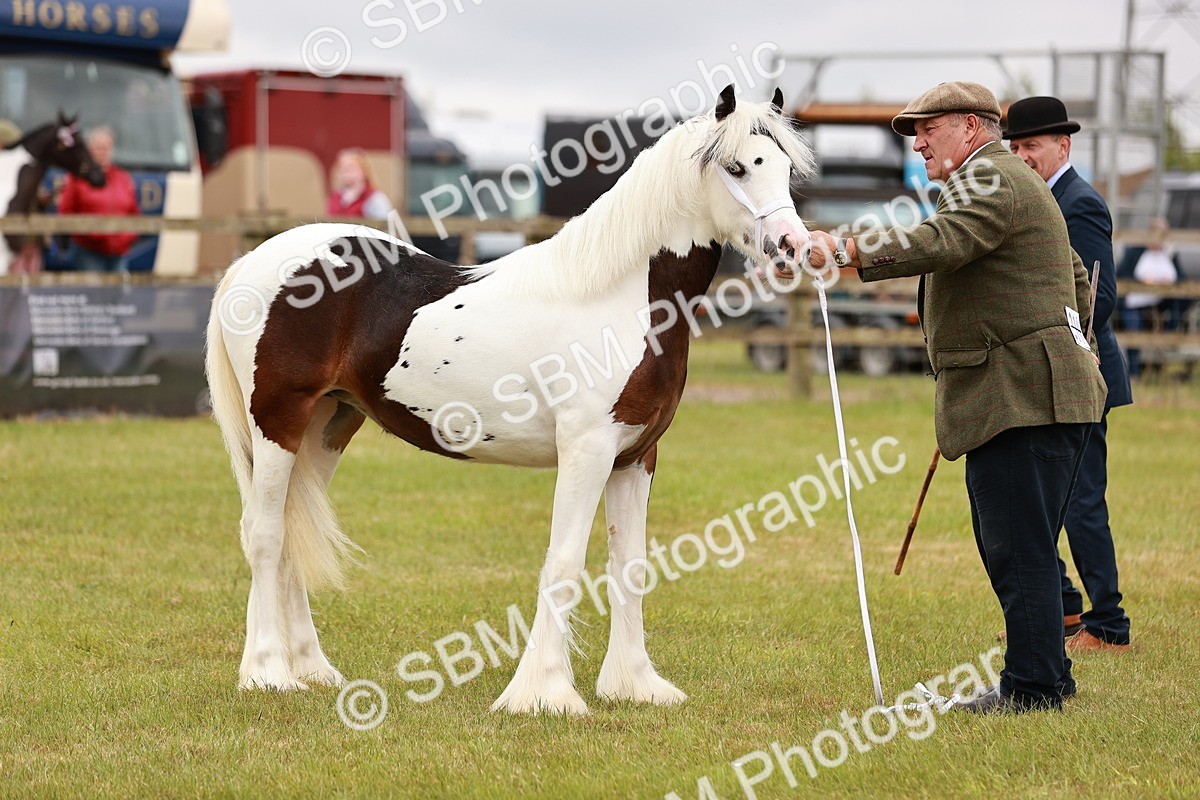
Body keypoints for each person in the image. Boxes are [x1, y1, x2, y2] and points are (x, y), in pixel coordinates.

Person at [799, 82, 1107, 714]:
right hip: (1034, 393)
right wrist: (1074, 346)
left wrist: (848, 249)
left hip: (1024, 397)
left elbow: (940, 243)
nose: (918, 142)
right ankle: (1044, 677)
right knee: (1023, 548)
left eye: (927, 129)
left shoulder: (990, 177)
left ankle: (1034, 688)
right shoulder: (1007, 180)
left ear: (971, 128)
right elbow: (1076, 275)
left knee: (1017, 549)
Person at [1004, 96, 1132, 653]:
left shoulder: (1078, 203)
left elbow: (1095, 295)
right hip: (1046, 374)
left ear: (1064, 146)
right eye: (1016, 146)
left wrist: (1062, 346)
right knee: (1036, 502)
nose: (1022, 156)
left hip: (1083, 370)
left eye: (1032, 146)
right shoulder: (1034, 200)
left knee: (1080, 502)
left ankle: (1109, 625)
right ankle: (1064, 608)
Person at [57, 126, 139, 272]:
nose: (103, 152)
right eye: (98, 148)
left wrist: (127, 238)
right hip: (89, 251)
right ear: (89, 151)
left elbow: (134, 213)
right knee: (94, 292)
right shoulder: (77, 177)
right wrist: (89, 234)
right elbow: (65, 211)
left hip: (119, 251)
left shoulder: (123, 178)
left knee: (119, 292)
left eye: (107, 147)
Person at [1119, 219, 1183, 377]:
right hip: (1135, 301)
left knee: (1182, 301)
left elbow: (1182, 278)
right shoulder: (1135, 252)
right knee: (1133, 325)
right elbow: (1121, 275)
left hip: (1161, 301)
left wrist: (1169, 284)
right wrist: (1141, 282)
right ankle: (1134, 371)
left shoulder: (1169, 253)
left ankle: (1168, 338)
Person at [326, 148, 395, 219]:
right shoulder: (336, 197)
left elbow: (385, 226)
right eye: (342, 167)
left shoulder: (375, 198)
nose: (345, 171)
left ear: (363, 170)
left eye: (350, 167)